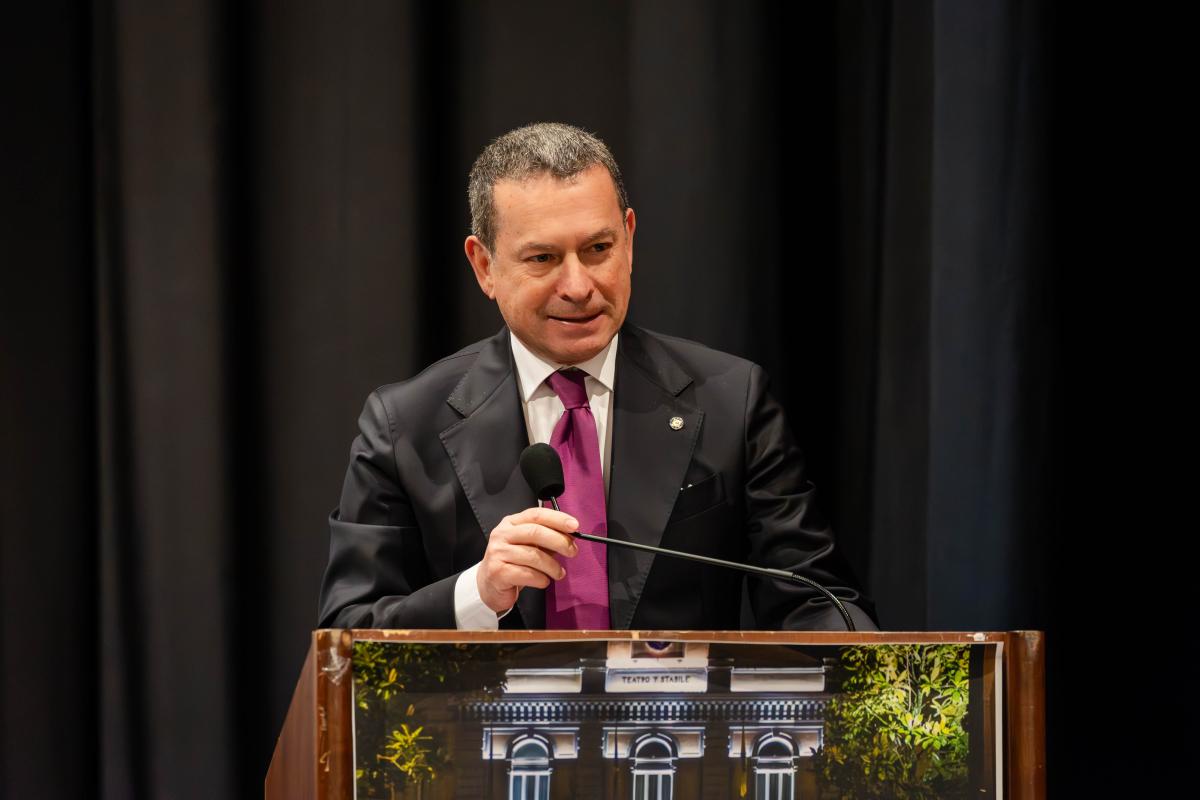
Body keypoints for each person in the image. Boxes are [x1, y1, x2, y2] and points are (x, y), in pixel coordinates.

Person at [317, 122, 877, 631]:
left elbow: (816, 599)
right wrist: (477, 594)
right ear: (484, 266)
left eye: (598, 249)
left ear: (628, 240)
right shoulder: (404, 426)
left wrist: (878, 685)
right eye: (542, 259)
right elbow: (346, 635)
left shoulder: (732, 400)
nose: (579, 286)